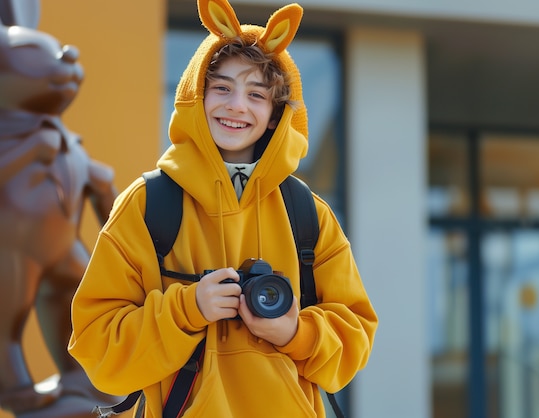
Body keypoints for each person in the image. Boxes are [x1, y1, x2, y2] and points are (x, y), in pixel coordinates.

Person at [68, 0, 378, 416]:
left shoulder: (308, 213)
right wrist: (189, 308)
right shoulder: (147, 205)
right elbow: (97, 346)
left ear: (274, 115)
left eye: (256, 94)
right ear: (197, 96)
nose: (236, 106)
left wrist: (293, 331)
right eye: (222, 88)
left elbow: (354, 340)